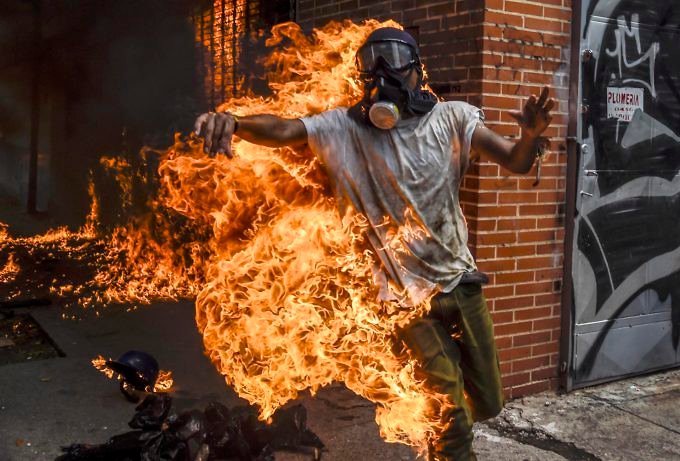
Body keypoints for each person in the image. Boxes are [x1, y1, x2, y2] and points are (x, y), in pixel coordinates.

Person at [194, 27, 554, 461]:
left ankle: (439, 440)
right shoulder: (341, 129)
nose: (383, 71)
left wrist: (531, 137)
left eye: (395, 59)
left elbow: (515, 160)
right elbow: (283, 129)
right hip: (404, 301)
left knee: (487, 402)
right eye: (372, 63)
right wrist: (236, 122)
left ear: (419, 72)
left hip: (461, 284)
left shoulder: (453, 120)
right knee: (451, 415)